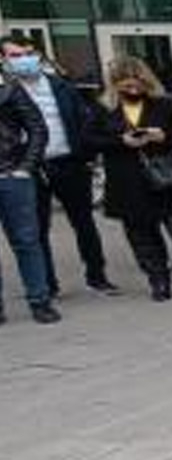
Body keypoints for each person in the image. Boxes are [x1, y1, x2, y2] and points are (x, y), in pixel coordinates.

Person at [86, 56, 172, 302]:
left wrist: (163, 136)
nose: (132, 87)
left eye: (136, 81)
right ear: (114, 83)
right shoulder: (102, 107)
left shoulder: (163, 103)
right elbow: (89, 139)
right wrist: (120, 141)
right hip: (127, 180)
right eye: (125, 83)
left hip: (167, 177)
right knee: (141, 234)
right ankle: (158, 280)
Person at [2, 34, 118, 297]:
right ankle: (47, 285)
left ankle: (97, 276)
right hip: (28, 168)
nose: (24, 60)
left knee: (84, 222)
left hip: (68, 162)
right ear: (4, 60)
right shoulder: (6, 91)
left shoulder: (61, 86)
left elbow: (83, 120)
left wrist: (87, 155)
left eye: (29, 53)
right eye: (16, 55)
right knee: (37, 230)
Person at [0, 67, 60, 324]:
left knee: (26, 241)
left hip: (11, 175)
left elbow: (38, 129)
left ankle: (40, 301)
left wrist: (25, 167)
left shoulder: (9, 88)